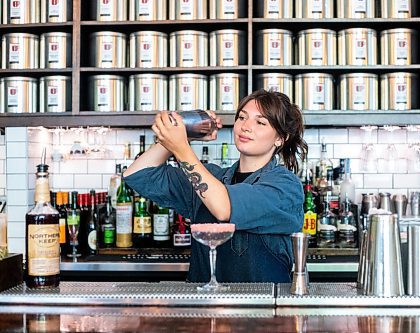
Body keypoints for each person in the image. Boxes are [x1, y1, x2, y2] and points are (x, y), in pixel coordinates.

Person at [123, 89, 308, 283]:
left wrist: (181, 148)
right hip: (204, 308)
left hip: (261, 309)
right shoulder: (212, 176)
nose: (246, 126)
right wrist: (184, 134)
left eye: (260, 122)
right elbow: (137, 174)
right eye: (242, 117)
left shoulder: (286, 187)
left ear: (280, 138)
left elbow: (224, 208)